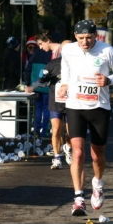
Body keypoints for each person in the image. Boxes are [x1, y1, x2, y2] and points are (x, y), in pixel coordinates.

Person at [60, 20, 113, 216]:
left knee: (97, 155)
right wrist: (64, 84)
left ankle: (97, 183)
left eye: (89, 37)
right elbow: (66, 70)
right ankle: (79, 198)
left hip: (99, 107)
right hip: (75, 106)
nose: (85, 42)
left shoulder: (107, 50)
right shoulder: (69, 50)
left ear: (95, 35)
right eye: (81, 38)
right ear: (75, 36)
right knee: (78, 153)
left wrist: (108, 80)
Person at [26, 40, 73, 169]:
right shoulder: (53, 64)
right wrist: (33, 85)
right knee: (57, 129)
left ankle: (68, 148)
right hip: (56, 101)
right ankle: (57, 158)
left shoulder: (78, 65)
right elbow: (42, 79)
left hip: (72, 102)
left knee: (71, 132)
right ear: (62, 51)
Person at [24, 36, 52, 139]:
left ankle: (36, 130)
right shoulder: (51, 54)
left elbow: (28, 70)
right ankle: (46, 131)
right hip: (47, 87)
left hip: (34, 86)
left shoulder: (35, 54)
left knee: (37, 109)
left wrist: (28, 83)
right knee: (47, 109)